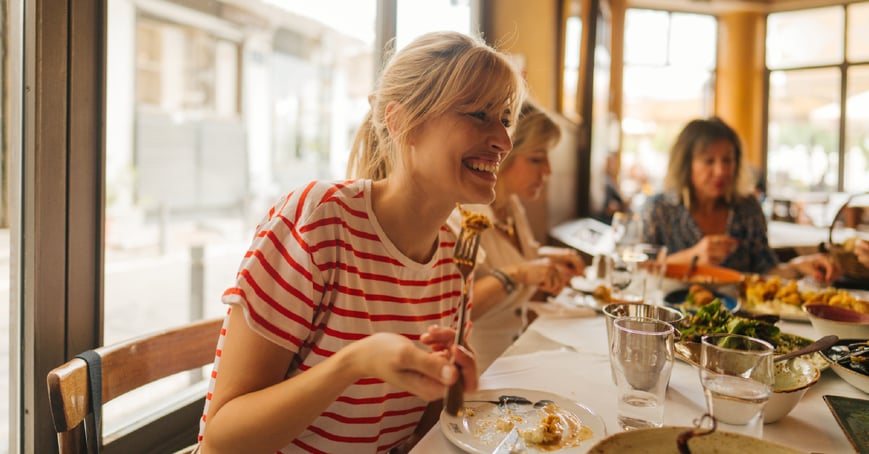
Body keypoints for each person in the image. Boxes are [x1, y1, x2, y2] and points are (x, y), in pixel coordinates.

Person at [195, 31, 526, 454]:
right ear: (402, 120)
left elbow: (413, 434)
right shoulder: (319, 220)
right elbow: (222, 440)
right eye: (479, 114)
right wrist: (357, 362)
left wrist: (444, 385)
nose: (504, 140)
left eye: (505, 117)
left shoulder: (452, 259)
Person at [447, 100, 584, 372]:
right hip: (482, 372)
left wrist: (548, 258)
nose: (547, 171)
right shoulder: (464, 215)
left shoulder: (510, 205)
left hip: (518, 358)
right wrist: (520, 273)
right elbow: (456, 308)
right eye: (536, 159)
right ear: (505, 154)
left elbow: (513, 258)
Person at [640, 117, 839, 282]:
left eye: (727, 160)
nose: (721, 171)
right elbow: (640, 271)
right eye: (709, 161)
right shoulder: (659, 208)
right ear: (686, 164)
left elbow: (765, 272)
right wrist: (692, 257)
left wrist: (798, 266)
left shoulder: (747, 208)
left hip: (738, 324)